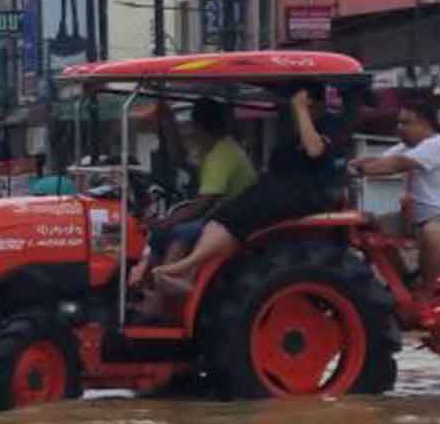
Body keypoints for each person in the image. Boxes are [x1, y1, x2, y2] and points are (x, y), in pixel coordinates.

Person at [154, 84, 341, 290]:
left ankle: (185, 268)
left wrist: (301, 107)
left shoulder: (327, 127)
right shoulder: (291, 139)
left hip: (303, 195)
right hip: (275, 191)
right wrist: (167, 120)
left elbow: (314, 151)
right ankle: (187, 271)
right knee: (225, 214)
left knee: (227, 217)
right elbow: (182, 160)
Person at [349, 100, 440, 305]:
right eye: (399, 123)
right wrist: (350, 165)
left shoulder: (438, 145)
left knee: (433, 234)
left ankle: (426, 292)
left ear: (425, 124)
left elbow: (395, 165)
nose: (399, 128)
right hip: (418, 219)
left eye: (406, 123)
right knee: (368, 226)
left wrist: (362, 169)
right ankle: (402, 283)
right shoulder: (406, 147)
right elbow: (377, 162)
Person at [130, 98, 257, 290]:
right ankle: (145, 289)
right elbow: (180, 159)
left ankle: (162, 297)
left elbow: (203, 205)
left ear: (199, 126)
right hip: (220, 215)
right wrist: (167, 121)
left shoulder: (222, 155)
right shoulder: (212, 148)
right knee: (159, 235)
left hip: (232, 221)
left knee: (183, 230)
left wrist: (169, 221)